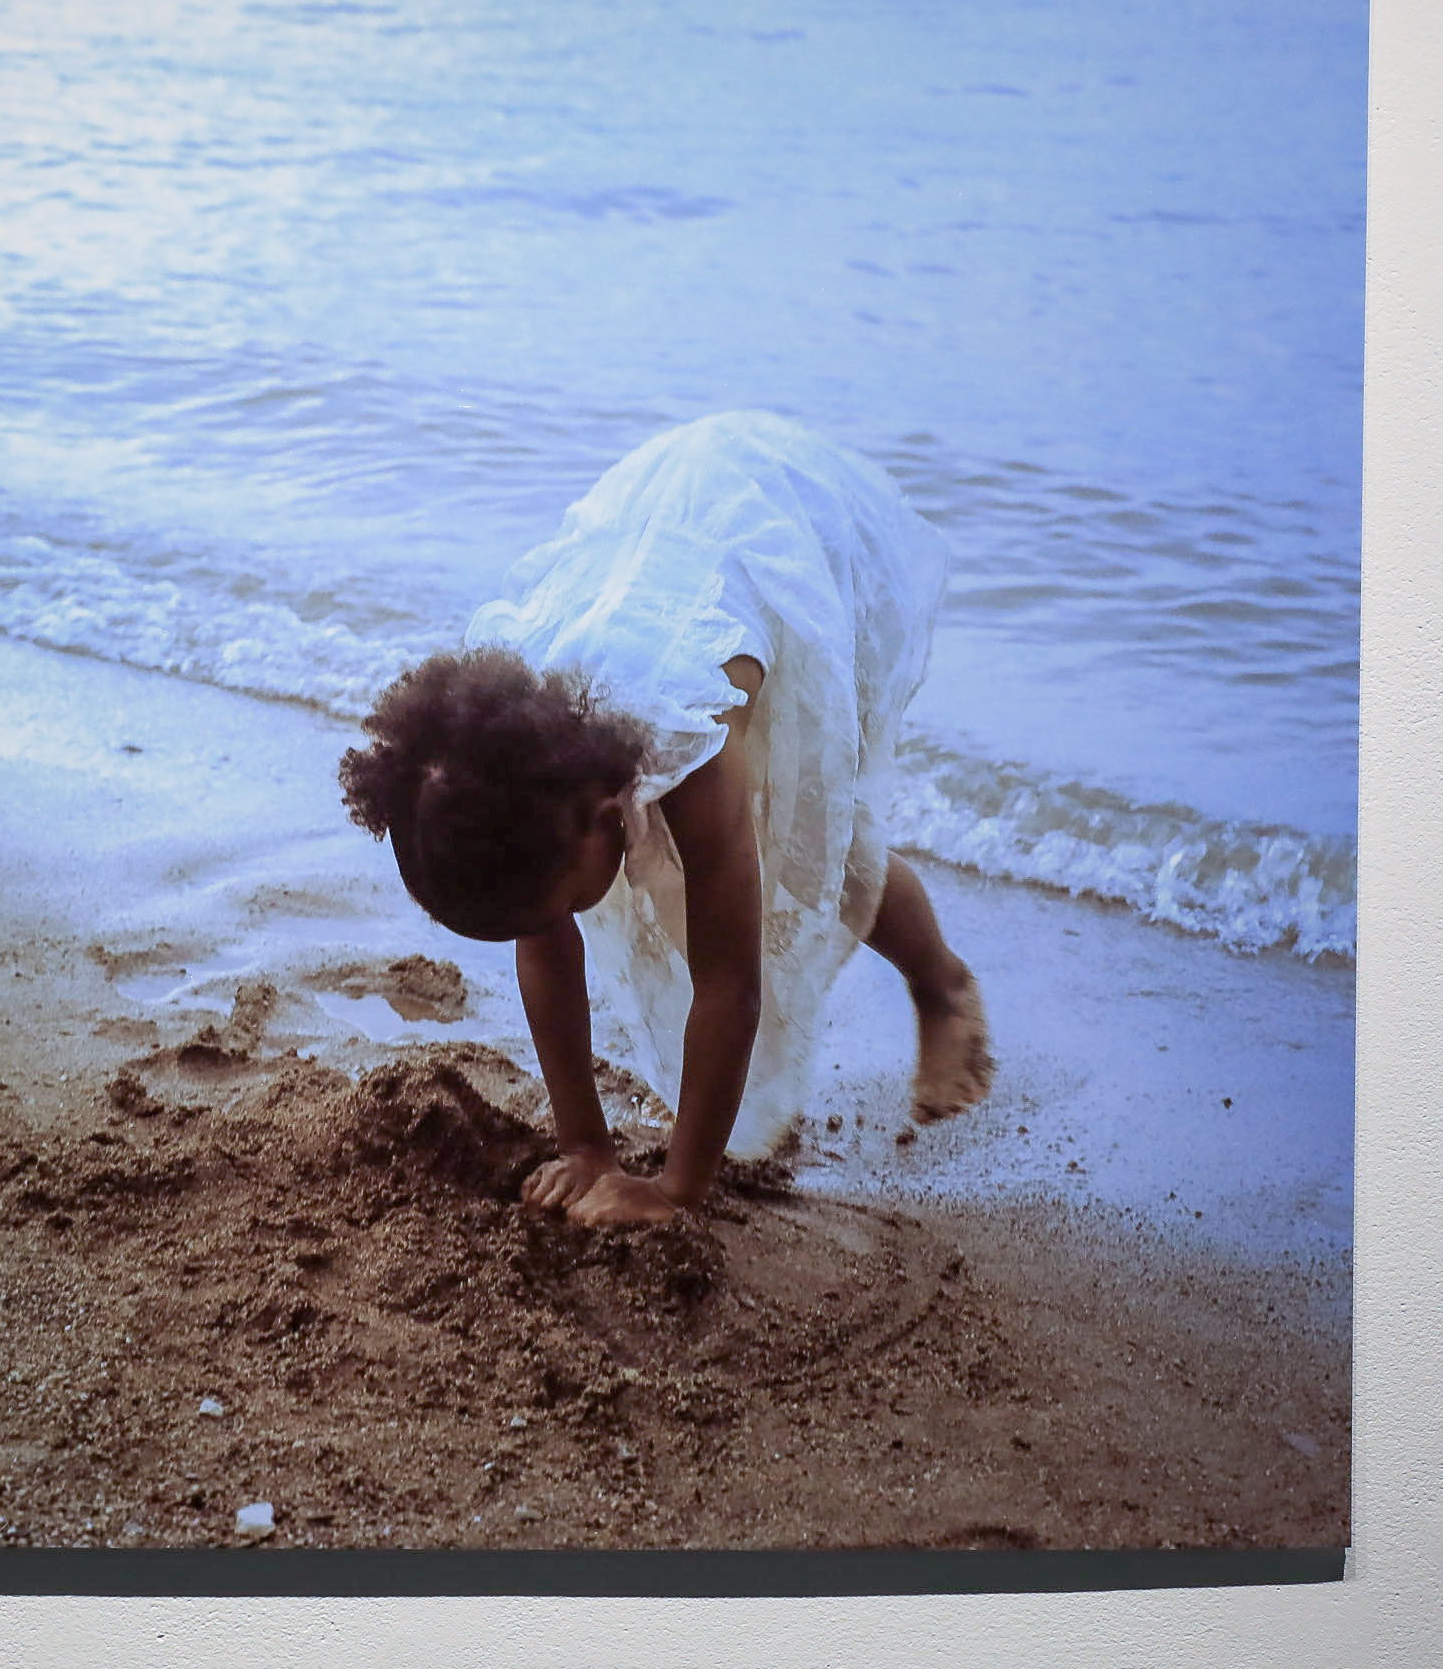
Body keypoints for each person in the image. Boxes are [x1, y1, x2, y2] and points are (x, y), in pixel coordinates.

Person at [339, 411, 991, 1228]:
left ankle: (944, 987)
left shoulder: (696, 745)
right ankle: (928, 989)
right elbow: (545, 949)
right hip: (652, 549)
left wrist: (674, 1188)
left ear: (604, 813)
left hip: (776, 550)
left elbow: (730, 981)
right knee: (667, 898)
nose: (555, 928)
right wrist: (585, 1146)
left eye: (562, 905)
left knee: (819, 859)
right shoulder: (511, 768)